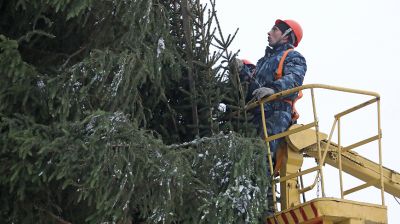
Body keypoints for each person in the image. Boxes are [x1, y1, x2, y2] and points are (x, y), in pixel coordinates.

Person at [238, 19, 307, 214]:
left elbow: (294, 80)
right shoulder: (263, 61)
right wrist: (242, 69)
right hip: (257, 112)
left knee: (263, 155)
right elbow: (254, 82)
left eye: (275, 30)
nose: (269, 32)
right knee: (248, 155)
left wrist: (273, 89)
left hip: (278, 112)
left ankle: (265, 207)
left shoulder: (293, 57)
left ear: (287, 35)